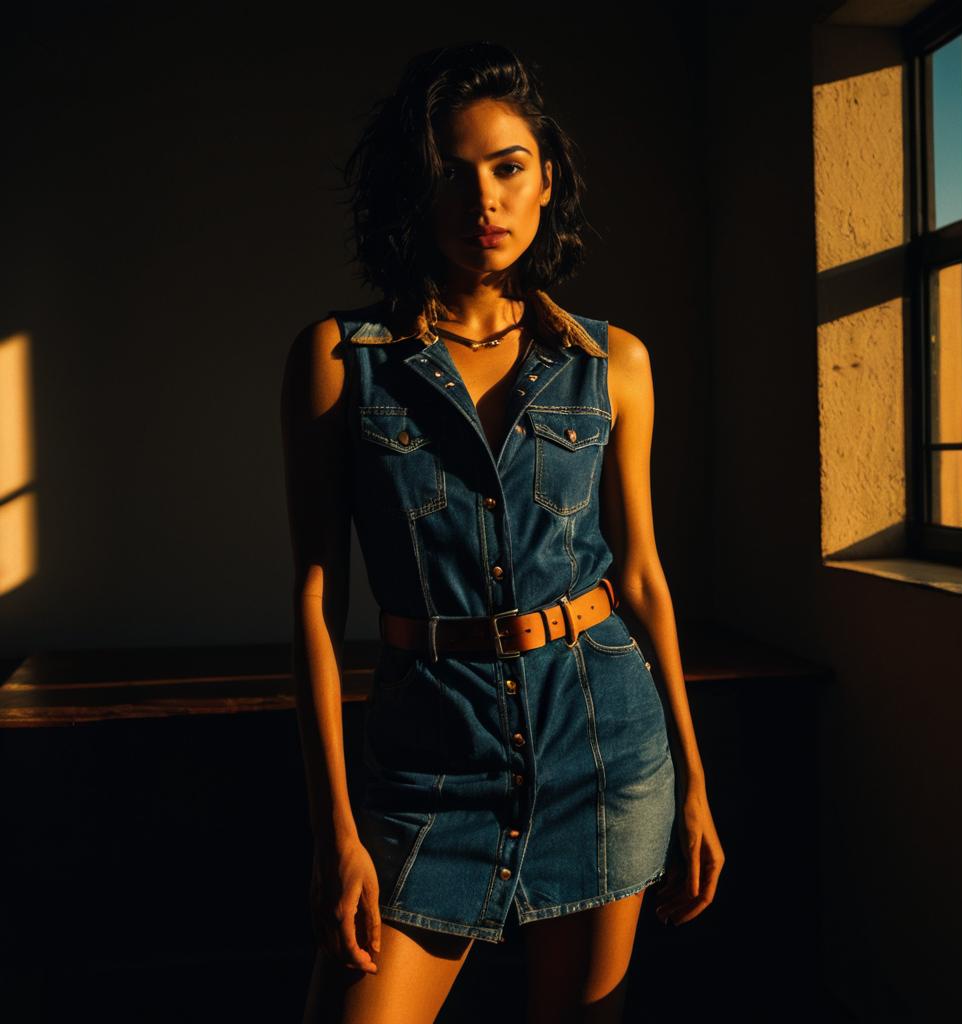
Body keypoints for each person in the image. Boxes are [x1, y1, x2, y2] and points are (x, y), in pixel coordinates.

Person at [280, 40, 724, 1024]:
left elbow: (642, 579)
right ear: (414, 190)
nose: (483, 199)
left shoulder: (614, 363)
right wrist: (336, 833)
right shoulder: (340, 360)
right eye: (452, 172)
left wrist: (695, 783)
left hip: (603, 749)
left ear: (545, 179)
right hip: (428, 761)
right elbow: (317, 600)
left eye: (507, 167)